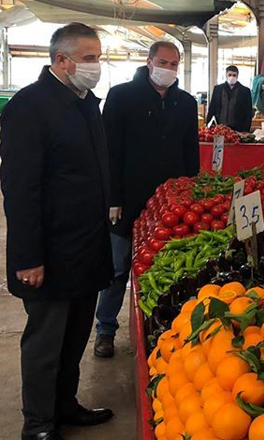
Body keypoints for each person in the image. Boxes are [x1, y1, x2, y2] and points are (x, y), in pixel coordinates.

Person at [0, 22, 114, 440]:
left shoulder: (84, 102)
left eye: (98, 57)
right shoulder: (30, 107)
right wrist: (28, 257)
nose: (96, 66)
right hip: (48, 250)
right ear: (61, 61)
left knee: (74, 337)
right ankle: (38, 424)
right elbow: (20, 189)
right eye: (89, 58)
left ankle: (65, 406)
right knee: (45, 344)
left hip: (85, 246)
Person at [97, 41, 200, 357]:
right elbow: (108, 150)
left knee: (164, 270)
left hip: (168, 206)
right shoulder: (121, 97)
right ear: (149, 61)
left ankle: (160, 330)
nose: (167, 69)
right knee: (116, 269)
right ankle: (105, 330)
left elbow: (190, 152)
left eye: (174, 64)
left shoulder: (185, 103)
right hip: (127, 201)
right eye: (163, 62)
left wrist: (191, 193)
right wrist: (112, 197)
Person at [206, 65, 254, 132]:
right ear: (226, 75)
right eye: (230, 75)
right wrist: (208, 125)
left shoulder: (245, 91)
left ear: (237, 76)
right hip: (219, 127)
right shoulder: (218, 89)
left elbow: (248, 112)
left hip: (238, 128)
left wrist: (246, 130)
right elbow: (212, 108)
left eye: (234, 75)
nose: (232, 77)